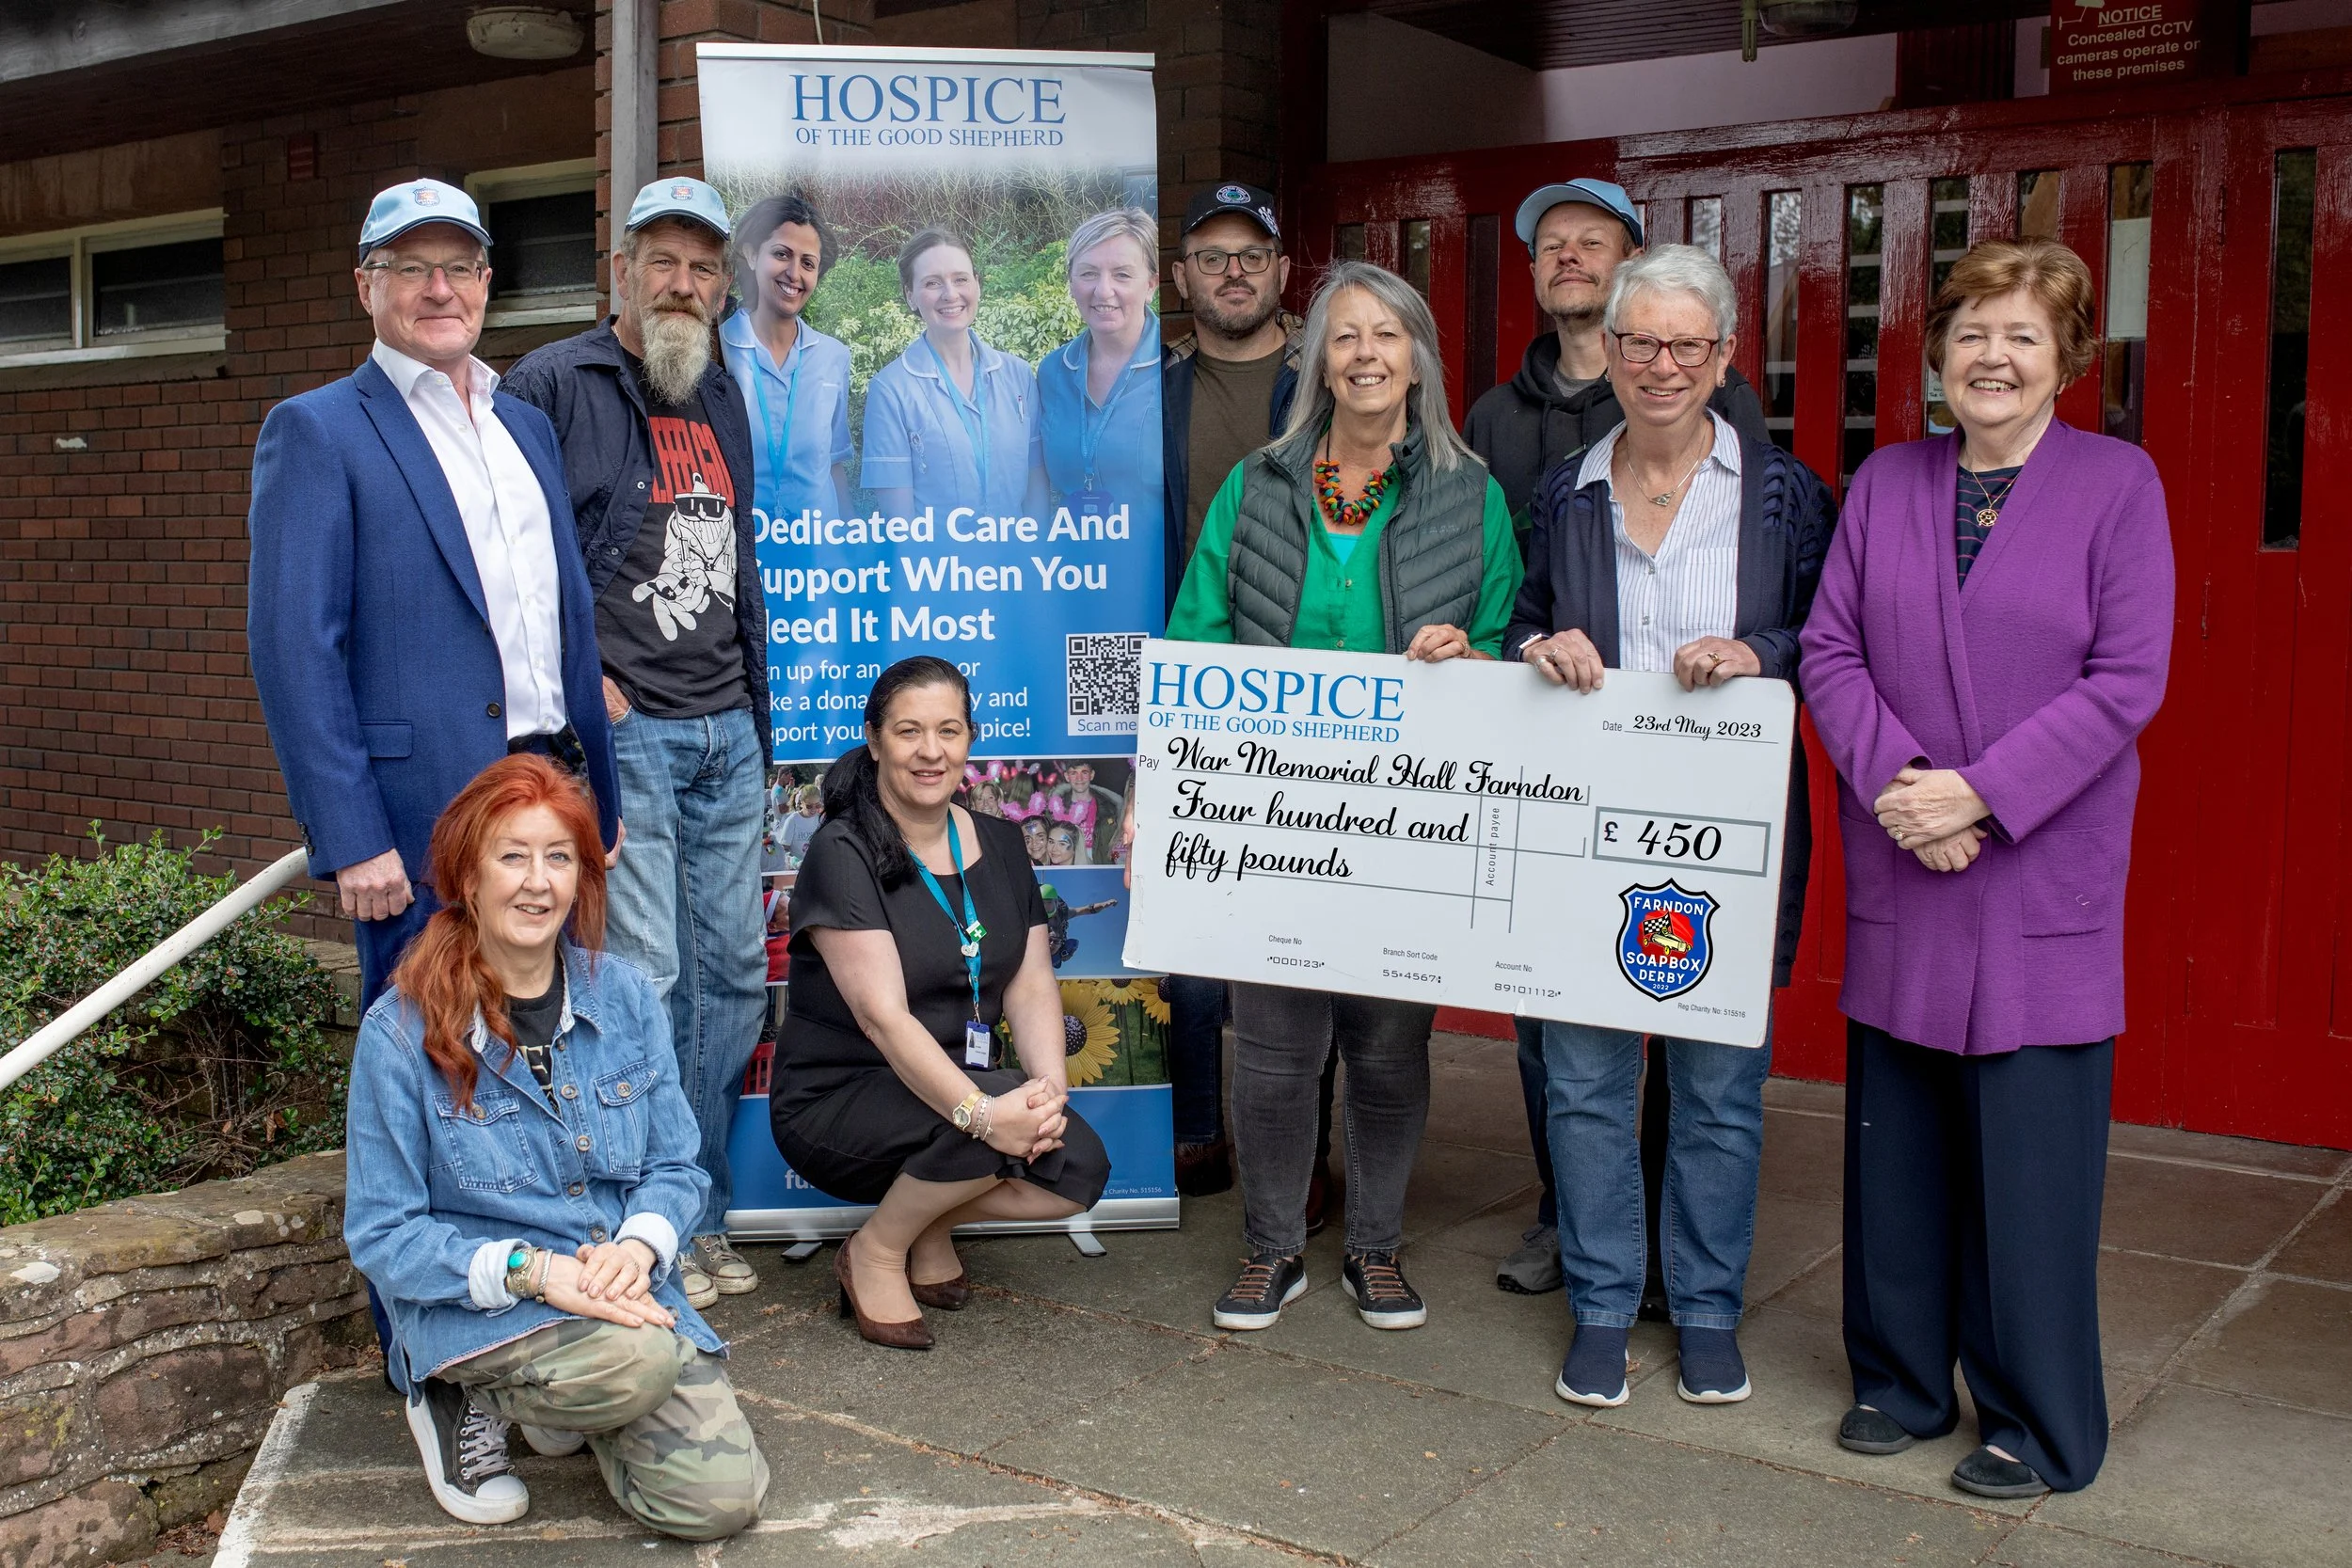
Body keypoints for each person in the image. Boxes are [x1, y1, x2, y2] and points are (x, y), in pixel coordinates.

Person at [1800, 236, 2173, 1500]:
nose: (1993, 357)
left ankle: (2034, 1417)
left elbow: (2128, 677)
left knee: (2029, 1166)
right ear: (1938, 356)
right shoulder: (1888, 479)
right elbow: (1830, 649)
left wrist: (1984, 793)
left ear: (2069, 358)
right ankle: (1900, 1379)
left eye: (2021, 335)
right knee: (1897, 1140)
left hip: (2034, 862)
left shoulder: (2119, 486)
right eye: (1970, 334)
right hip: (1909, 852)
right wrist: (1910, 790)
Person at [246, 179, 623, 1396]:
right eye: (409, 266)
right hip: (415, 833)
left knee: (537, 1081)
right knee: (430, 1090)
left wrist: (595, 807)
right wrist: (348, 831)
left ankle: (538, 1338)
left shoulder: (521, 423)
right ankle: (434, 1370)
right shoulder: (319, 428)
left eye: (459, 266)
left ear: (488, 284)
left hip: (547, 804)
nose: (439, 288)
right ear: (366, 286)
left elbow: (561, 617)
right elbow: (293, 645)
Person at [1168, 261, 1524, 1335]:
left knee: (1384, 1044)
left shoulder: (1472, 494)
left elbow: (1505, 642)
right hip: (1271, 816)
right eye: (1342, 336)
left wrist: (1468, 655)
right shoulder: (1258, 484)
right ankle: (1272, 1246)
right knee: (1273, 1047)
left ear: (1417, 354)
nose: (1365, 353)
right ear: (1317, 358)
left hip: (1405, 817)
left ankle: (1373, 1243)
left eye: (1387, 333)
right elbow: (1195, 633)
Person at [1507, 245, 1832, 1410]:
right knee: (1586, 1080)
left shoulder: (1784, 494)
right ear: (1614, 352)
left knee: (1716, 1090)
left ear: (1724, 358)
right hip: (1585, 830)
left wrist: (1761, 653)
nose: (1659, 365)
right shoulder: (1565, 489)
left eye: (1685, 345)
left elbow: (1829, 639)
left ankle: (1702, 1308)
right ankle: (1600, 1304)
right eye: (1639, 341)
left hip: (1724, 841)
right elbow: (1526, 622)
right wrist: (1539, 648)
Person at [1463, 177, 1771, 1301]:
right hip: (1564, 772)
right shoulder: (1505, 427)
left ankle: (1666, 1254)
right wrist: (1515, 640)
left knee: (1685, 1021)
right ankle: (1575, 1223)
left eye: (1593, 241)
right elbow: (1514, 589)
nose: (1569, 257)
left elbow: (1787, 602)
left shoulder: (1739, 445)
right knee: (1560, 1034)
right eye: (1552, 245)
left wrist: (1755, 652)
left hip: (1698, 778)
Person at [343, 754, 768, 1539]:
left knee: (719, 1503)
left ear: (583, 878)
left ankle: (584, 1393)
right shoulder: (397, 1034)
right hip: (482, 1303)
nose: (537, 881)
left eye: (559, 857)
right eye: (513, 855)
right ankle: (457, 1394)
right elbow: (382, 1232)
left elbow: (677, 1164)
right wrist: (538, 1271)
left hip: (617, 1290)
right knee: (640, 1364)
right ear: (468, 876)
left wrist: (638, 1250)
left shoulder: (628, 995)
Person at [503, 178, 771, 1312]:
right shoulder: (554, 383)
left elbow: (737, 555)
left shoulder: (720, 390)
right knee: (651, 984)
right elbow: (511, 564)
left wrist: (755, 705)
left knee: (736, 982)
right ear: (620, 270)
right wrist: (582, 689)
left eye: (704, 268)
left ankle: (696, 1211)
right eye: (663, 261)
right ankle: (643, 1224)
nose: (685, 284)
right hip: (631, 736)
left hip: (726, 728)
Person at [770, 658, 1110, 1350]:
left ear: (969, 738)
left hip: (956, 1086)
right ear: (874, 740)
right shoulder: (842, 849)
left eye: (949, 730)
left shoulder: (1005, 843)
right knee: (979, 1129)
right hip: (844, 1092)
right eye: (909, 731)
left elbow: (1031, 980)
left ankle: (928, 1220)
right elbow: (882, 1018)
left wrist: (1047, 1093)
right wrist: (984, 1114)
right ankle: (874, 1251)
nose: (932, 750)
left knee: (1077, 1168)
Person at [1157, 182, 1306, 1201]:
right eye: (1211, 255)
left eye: (1250, 252)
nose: (1233, 270)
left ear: (1282, 271)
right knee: (1188, 906)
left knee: (1305, 914)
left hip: (1307, 673)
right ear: (1183, 279)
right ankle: (1199, 1128)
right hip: (1182, 666)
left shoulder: (1325, 380)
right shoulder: (1147, 389)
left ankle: (1306, 1151)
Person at [862, 230, 1048, 520]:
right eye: (933, 283)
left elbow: (1037, 493)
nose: (950, 294)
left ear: (977, 285)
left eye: (960, 279)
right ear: (910, 296)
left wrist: (1035, 560)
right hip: (935, 566)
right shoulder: (890, 389)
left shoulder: (1019, 377)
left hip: (1018, 563)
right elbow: (900, 527)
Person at [721, 191, 857, 528]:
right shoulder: (719, 348)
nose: (794, 273)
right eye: (782, 254)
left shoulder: (833, 357)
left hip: (819, 559)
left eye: (808, 263)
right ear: (752, 255)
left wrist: (851, 543)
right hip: (745, 555)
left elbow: (832, 465)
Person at [1039, 207, 1163, 532]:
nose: (1103, 290)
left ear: (1151, 284)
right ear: (1071, 282)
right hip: (1074, 571)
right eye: (1088, 273)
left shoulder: (1176, 368)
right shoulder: (1052, 372)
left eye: (1122, 274)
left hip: (1156, 572)